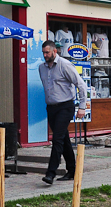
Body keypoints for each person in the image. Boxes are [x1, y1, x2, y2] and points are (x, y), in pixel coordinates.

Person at [38, 40, 89, 185]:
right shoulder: (41, 68)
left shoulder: (65, 65)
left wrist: (82, 107)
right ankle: (72, 170)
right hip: (51, 107)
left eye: (47, 52)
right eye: (43, 53)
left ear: (55, 51)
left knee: (57, 139)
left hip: (65, 106)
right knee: (64, 139)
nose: (45, 55)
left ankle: (50, 173)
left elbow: (81, 85)